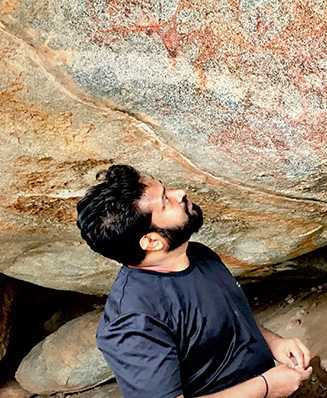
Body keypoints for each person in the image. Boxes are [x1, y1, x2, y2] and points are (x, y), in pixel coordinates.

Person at [76, 164, 312, 398]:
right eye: (165, 201)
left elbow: (225, 320)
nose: (179, 194)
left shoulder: (197, 254)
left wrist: (274, 343)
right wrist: (267, 387)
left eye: (167, 189)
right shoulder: (134, 321)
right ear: (152, 242)